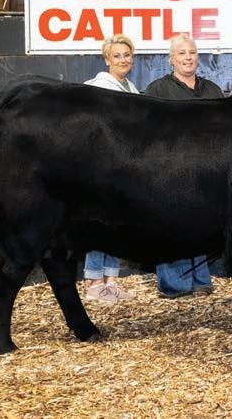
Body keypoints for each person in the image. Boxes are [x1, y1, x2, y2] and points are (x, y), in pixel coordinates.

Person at [144, 34, 224, 299]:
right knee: (171, 224)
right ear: (171, 59)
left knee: (199, 223)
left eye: (192, 52)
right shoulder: (157, 90)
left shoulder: (212, 90)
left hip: (206, 169)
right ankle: (175, 285)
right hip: (169, 169)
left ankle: (200, 279)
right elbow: (145, 132)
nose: (188, 58)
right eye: (181, 53)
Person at [82, 34, 139, 304]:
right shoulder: (98, 87)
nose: (123, 60)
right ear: (107, 59)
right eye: (117, 56)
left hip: (122, 166)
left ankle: (111, 281)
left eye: (127, 55)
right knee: (99, 221)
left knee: (116, 222)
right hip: (101, 166)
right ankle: (94, 282)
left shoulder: (130, 87)